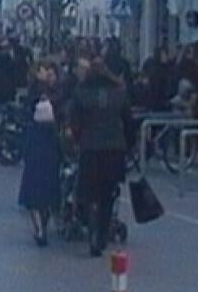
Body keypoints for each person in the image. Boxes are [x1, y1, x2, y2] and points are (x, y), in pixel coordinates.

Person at [69, 53, 132, 257]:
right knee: (108, 194)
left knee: (88, 192)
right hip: (114, 149)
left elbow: (75, 122)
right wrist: (129, 145)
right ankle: (102, 233)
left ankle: (91, 228)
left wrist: (78, 141)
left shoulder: (82, 92)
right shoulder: (119, 91)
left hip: (90, 148)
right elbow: (128, 122)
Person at [18, 61, 63, 247]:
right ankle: (41, 227)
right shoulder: (49, 93)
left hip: (41, 144)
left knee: (38, 191)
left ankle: (41, 227)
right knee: (44, 190)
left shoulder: (43, 93)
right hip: (48, 145)